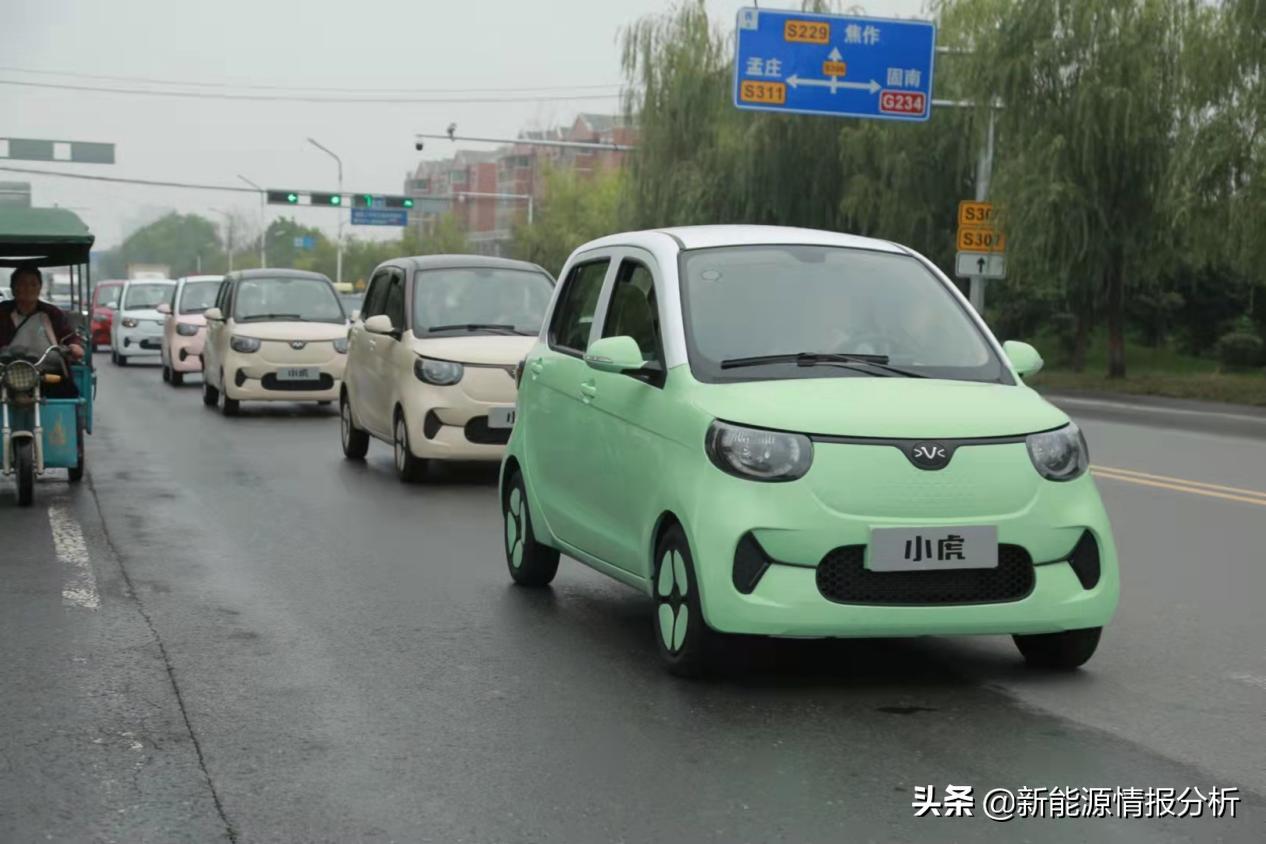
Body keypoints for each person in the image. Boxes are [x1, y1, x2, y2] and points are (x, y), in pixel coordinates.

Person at [0, 264, 85, 396]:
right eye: (23, 284)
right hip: (7, 371)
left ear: (40, 288)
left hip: (46, 372)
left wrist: (74, 346)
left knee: (69, 392)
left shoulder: (52, 313)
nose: (28, 288)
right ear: (13, 288)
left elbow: (68, 336)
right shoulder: (2, 312)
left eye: (33, 284)